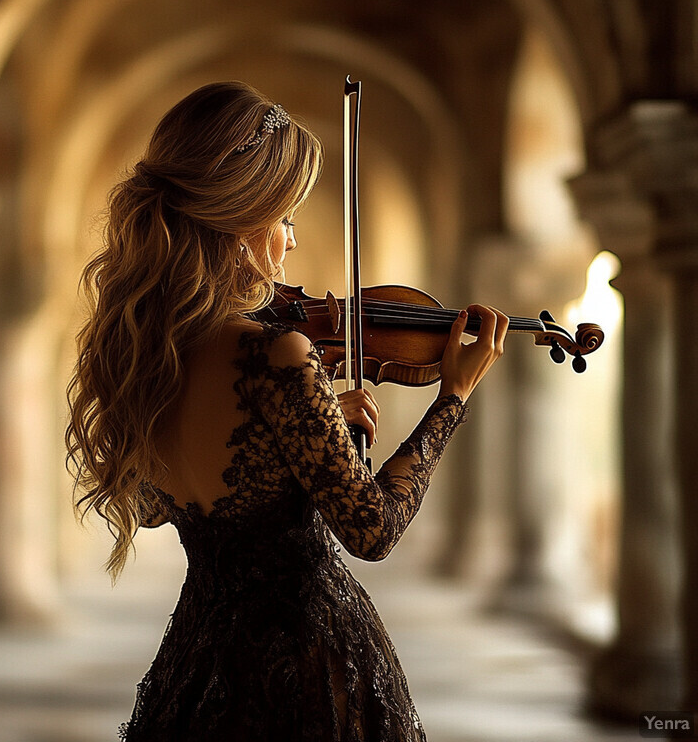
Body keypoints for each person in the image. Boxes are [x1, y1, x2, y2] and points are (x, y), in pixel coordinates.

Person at [65, 81, 508, 742]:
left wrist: (310, 427)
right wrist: (452, 398)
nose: (291, 241)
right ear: (245, 221)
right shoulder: (276, 353)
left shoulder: (149, 356)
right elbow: (373, 531)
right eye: (286, 216)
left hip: (199, 664)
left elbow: (161, 509)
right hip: (306, 669)